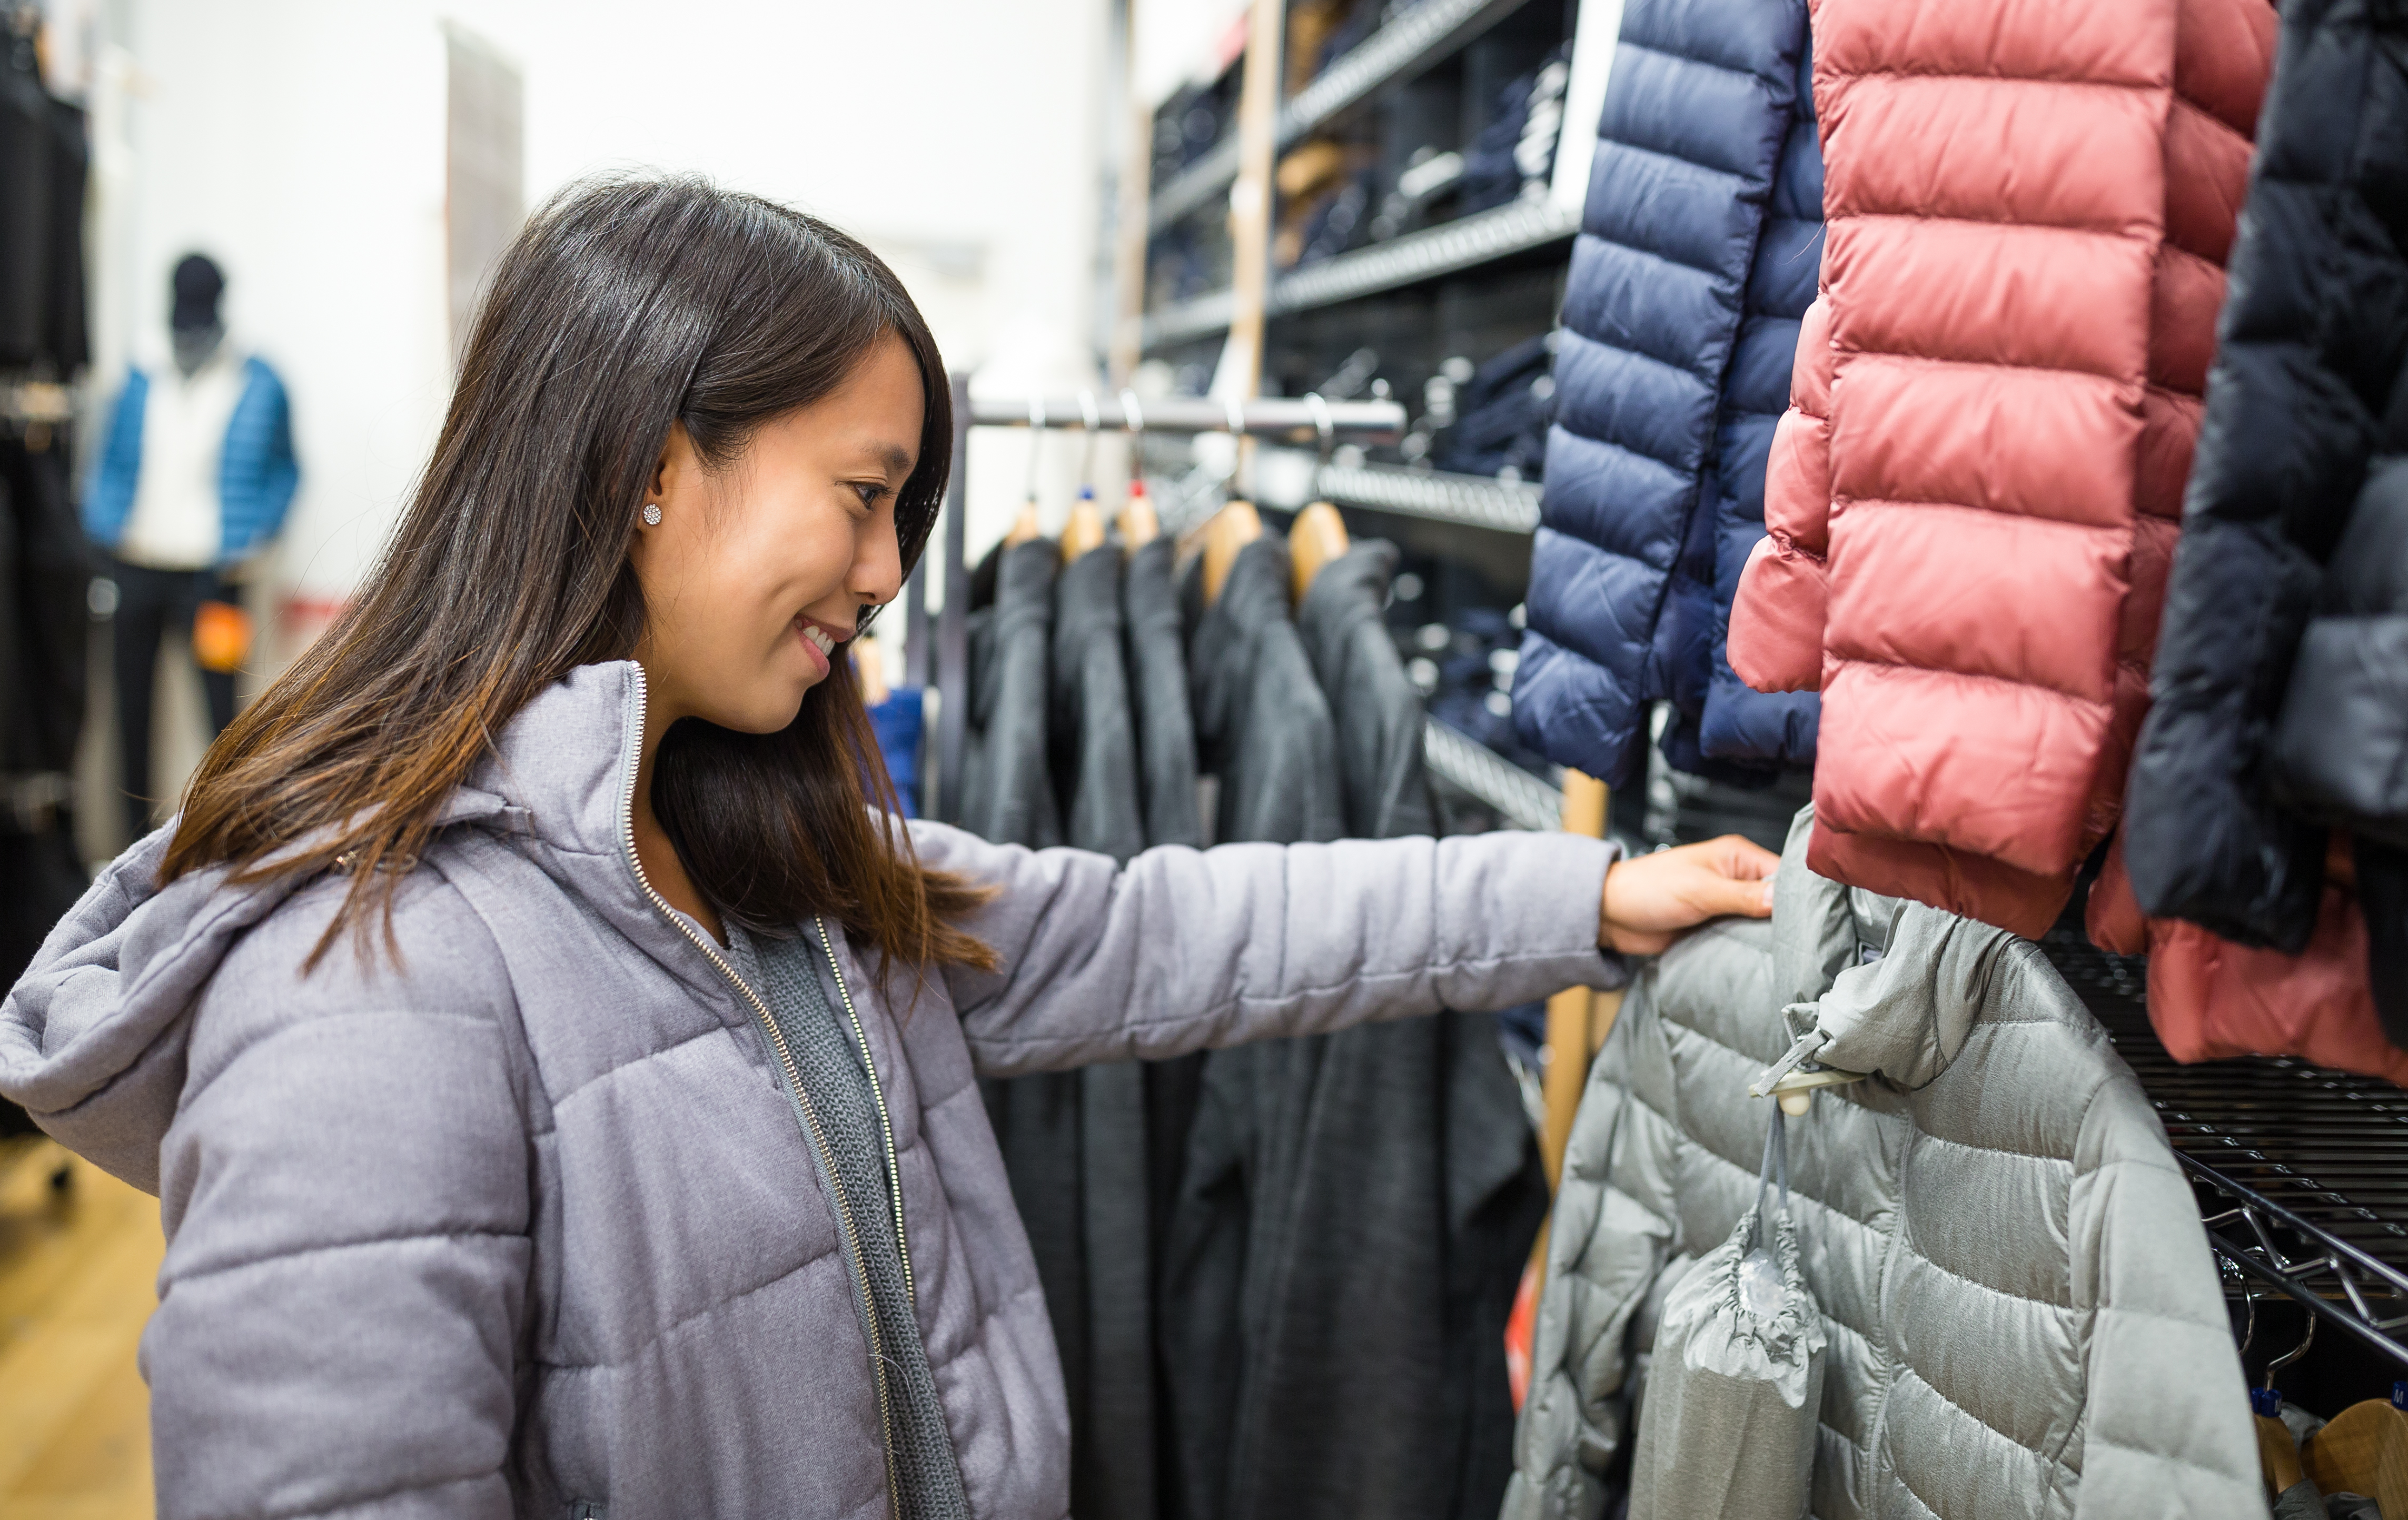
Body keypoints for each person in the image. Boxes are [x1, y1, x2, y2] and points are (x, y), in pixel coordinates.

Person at [0, 176, 1775, 1520]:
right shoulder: (364, 979)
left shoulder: (763, 867)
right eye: (862, 496)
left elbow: (1179, 933)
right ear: (649, 468)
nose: (887, 575)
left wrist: (1589, 895)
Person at [82, 253, 298, 840]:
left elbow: (286, 470)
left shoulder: (258, 381)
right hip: (135, 567)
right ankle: (129, 846)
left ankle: (222, 840)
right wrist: (102, 524)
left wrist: (257, 532)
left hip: (214, 578)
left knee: (221, 713)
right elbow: (110, 460)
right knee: (130, 711)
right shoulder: (138, 373)